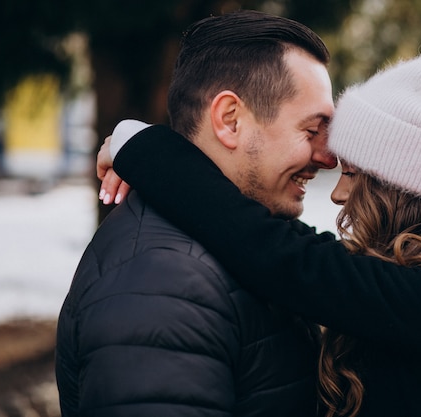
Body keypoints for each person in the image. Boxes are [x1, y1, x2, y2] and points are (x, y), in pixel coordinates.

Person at [99, 45, 421, 417]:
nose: (337, 195)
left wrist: (141, 145)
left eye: (351, 174)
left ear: (398, 186)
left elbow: (277, 254)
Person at [55, 10, 339, 417]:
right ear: (230, 120)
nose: (328, 158)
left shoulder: (238, 244)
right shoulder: (162, 281)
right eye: (311, 131)